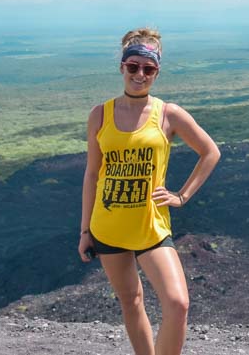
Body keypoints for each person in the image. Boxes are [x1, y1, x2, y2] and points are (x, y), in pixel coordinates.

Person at [79, 28, 220, 355]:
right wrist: (85, 230)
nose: (140, 74)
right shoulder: (100, 115)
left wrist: (182, 196)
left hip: (151, 228)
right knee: (131, 300)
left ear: (157, 71)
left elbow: (210, 152)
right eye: (133, 66)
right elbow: (92, 174)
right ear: (122, 67)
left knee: (177, 303)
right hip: (107, 227)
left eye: (148, 68)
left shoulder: (168, 114)